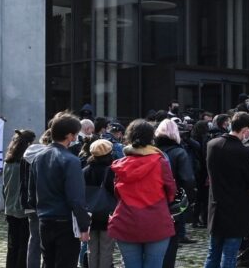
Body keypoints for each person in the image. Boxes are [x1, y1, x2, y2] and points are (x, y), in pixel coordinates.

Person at [109, 119, 176, 268]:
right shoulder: (160, 162)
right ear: (152, 138)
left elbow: (117, 193)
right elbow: (171, 190)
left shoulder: (121, 165)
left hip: (126, 221)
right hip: (156, 220)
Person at [28, 113, 91, 268]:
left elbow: (31, 194)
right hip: (65, 223)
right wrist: (84, 226)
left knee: (48, 263)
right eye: (76, 134)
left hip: (44, 220)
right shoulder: (71, 160)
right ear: (69, 136)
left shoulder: (37, 157)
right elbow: (76, 198)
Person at [204, 112, 249, 268]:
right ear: (246, 130)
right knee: (229, 256)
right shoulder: (244, 153)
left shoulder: (212, 145)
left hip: (216, 207)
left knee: (212, 253)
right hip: (236, 211)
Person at [155, 119, 197, 268]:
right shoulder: (179, 152)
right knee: (171, 244)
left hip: (152, 201)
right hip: (173, 204)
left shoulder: (151, 151)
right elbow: (188, 179)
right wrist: (187, 201)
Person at [3, 129, 36, 268]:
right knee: (24, 245)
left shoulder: (8, 161)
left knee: (12, 245)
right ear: (28, 144)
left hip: (9, 208)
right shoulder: (25, 163)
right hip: (22, 209)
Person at [21, 128, 52, 268]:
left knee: (33, 239)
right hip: (44, 203)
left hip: (29, 202)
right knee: (47, 242)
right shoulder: (48, 156)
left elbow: (22, 180)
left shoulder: (26, 154)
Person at [82, 139, 116, 268]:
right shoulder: (112, 171)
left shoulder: (85, 170)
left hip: (89, 214)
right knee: (106, 248)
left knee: (92, 249)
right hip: (107, 214)